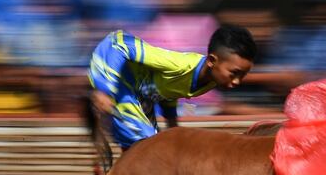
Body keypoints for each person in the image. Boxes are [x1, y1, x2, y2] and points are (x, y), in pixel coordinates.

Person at [88, 24, 257, 151]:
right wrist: (104, 90)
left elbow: (168, 90)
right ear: (212, 61)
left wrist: (172, 124)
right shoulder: (180, 65)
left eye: (242, 75)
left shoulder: (212, 79)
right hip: (114, 71)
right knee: (148, 145)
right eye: (234, 73)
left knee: (157, 147)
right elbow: (118, 45)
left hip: (141, 94)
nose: (237, 81)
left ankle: (114, 174)